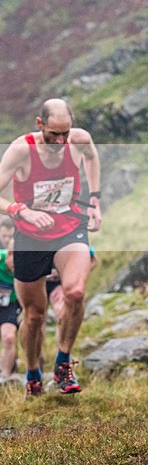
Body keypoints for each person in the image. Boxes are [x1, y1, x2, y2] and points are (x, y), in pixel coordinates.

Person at [0, 98, 102, 398]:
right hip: (30, 237)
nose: (60, 141)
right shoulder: (22, 150)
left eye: (65, 133)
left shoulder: (79, 140)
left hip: (70, 228)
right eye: (53, 134)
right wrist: (21, 211)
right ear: (39, 124)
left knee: (75, 292)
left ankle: (63, 362)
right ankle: (32, 372)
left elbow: (92, 158)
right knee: (34, 314)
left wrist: (94, 201)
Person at [38, 245, 97, 371]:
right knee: (38, 320)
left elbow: (93, 259)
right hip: (40, 283)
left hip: (58, 284)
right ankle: (39, 360)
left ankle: (61, 354)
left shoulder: (68, 235)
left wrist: (76, 275)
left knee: (62, 313)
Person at [0, 218, 21, 376]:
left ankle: (5, 378)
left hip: (11, 306)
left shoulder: (26, 263)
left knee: (8, 337)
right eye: (4, 236)